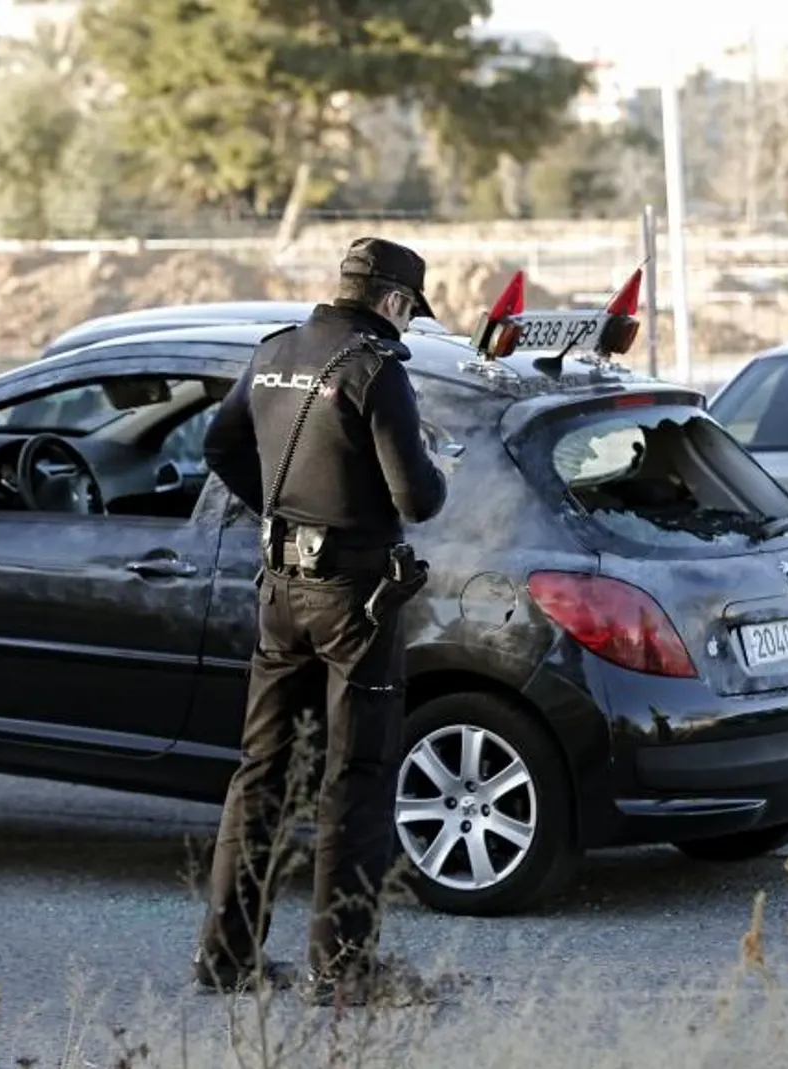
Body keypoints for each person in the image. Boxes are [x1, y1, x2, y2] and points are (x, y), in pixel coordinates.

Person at [192, 236, 449, 1007]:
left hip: (278, 590)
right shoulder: (376, 367)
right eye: (408, 311)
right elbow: (418, 499)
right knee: (355, 779)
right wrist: (434, 463)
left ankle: (225, 958)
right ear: (396, 302)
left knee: (260, 773)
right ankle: (341, 970)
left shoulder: (273, 351)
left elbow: (218, 444)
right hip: (355, 598)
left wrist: (278, 508)